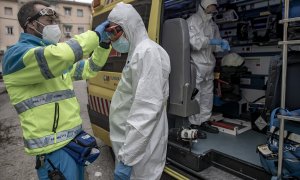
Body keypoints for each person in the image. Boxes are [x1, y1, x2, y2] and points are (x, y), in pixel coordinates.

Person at [2, 0, 111, 179]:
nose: (55, 26)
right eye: (49, 21)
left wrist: (104, 45)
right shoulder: (16, 55)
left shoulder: (54, 60)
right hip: (54, 152)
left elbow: (89, 68)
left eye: (55, 21)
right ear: (30, 23)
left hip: (74, 144)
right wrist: (96, 35)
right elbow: (62, 55)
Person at [107, 2, 171, 180]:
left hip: (141, 150)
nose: (113, 38)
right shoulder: (137, 52)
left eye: (115, 31)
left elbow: (146, 109)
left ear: (129, 26)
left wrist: (128, 159)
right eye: (109, 33)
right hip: (132, 146)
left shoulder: (148, 53)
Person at [187, 0, 230, 138]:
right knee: (196, 94)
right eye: (212, 6)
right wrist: (210, 41)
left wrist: (221, 44)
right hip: (196, 63)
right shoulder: (192, 21)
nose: (214, 9)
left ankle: (204, 121)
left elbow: (216, 45)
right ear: (205, 5)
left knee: (207, 95)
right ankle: (194, 123)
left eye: (215, 7)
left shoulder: (213, 25)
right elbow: (193, 42)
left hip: (209, 64)